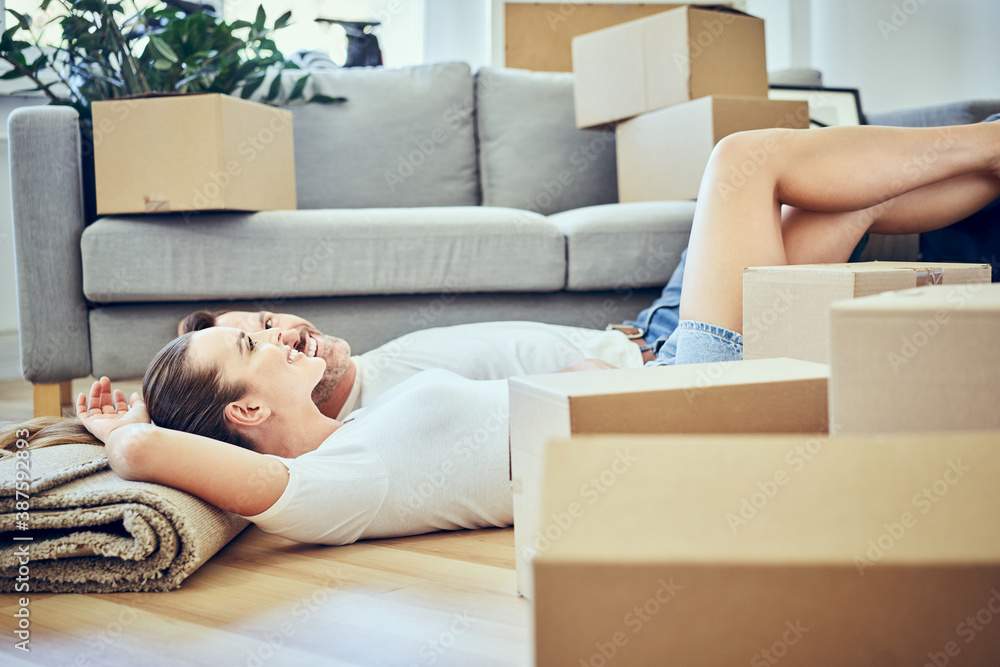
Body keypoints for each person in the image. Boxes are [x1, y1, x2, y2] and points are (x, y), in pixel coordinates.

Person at [8, 122, 998, 546]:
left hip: (666, 384)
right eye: (249, 345)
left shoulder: (355, 436)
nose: (272, 333)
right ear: (250, 411)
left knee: (845, 206)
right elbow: (143, 452)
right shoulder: (337, 488)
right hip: (680, 413)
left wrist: (138, 413)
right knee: (742, 161)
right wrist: (120, 429)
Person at [177, 312, 655, 420]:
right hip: (661, 363)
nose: (283, 332)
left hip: (644, 325)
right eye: (253, 345)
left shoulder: (370, 367)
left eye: (267, 321)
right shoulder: (388, 415)